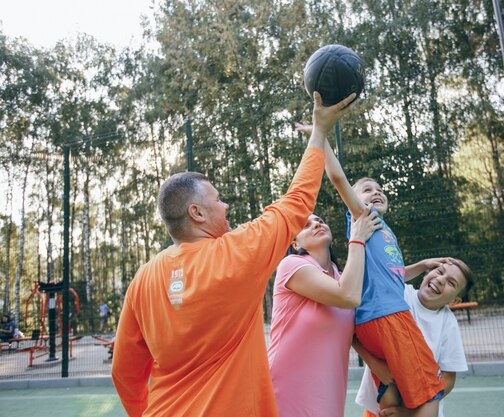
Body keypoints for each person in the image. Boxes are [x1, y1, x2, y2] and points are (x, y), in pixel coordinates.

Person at [111, 91, 357, 417]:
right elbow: (297, 201)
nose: (225, 205)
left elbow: (124, 371)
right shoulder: (235, 254)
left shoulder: (142, 280)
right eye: (218, 199)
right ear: (197, 213)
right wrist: (319, 130)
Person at [295, 125, 445, 416]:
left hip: (373, 322)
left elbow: (394, 275)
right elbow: (338, 178)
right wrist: (320, 134)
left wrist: (423, 266)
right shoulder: (364, 216)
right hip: (390, 317)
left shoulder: (386, 232)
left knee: (390, 396)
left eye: (379, 190)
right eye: (367, 190)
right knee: (431, 393)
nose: (376, 193)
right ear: (355, 198)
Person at [267, 209, 382, 417]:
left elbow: (378, 285)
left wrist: (425, 266)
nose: (316, 224)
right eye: (307, 225)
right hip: (286, 384)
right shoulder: (291, 265)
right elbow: (348, 296)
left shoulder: (341, 277)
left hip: (329, 390)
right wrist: (357, 239)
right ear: (295, 244)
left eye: (319, 221)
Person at [354, 258, 473, 417]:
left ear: (454, 301)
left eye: (451, 283)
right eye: (439, 271)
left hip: (418, 410)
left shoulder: (447, 323)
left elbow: (448, 378)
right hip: (380, 406)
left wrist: (409, 412)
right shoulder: (399, 293)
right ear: (426, 274)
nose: (440, 280)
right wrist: (375, 365)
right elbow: (380, 276)